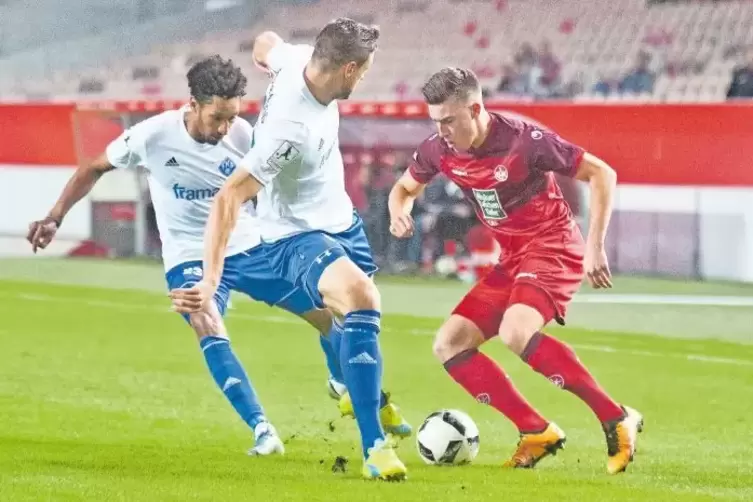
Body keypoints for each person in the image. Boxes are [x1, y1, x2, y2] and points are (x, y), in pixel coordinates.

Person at [26, 55, 409, 458]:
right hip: (189, 254)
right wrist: (55, 216)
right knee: (205, 318)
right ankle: (262, 428)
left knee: (329, 316)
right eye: (216, 118)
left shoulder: (243, 135)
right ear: (193, 104)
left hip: (250, 246)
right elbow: (94, 167)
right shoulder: (152, 136)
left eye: (231, 118)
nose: (224, 128)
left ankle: (351, 388)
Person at [170, 19, 408, 481]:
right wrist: (211, 280)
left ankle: (342, 380)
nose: (363, 80)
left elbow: (267, 43)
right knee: (361, 299)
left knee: (357, 324)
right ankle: (374, 448)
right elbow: (228, 197)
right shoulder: (289, 130)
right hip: (294, 236)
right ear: (349, 69)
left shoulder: (297, 59)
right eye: (364, 72)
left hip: (343, 222)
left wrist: (265, 55)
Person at [388, 67, 643, 474]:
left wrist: (595, 245)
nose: (442, 131)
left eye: (449, 121)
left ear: (475, 108)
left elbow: (602, 173)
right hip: (512, 258)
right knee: (449, 344)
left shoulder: (525, 142)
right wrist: (398, 212)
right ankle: (536, 431)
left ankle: (616, 418)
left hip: (553, 247)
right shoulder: (439, 149)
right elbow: (403, 188)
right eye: (435, 122)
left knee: (515, 332)